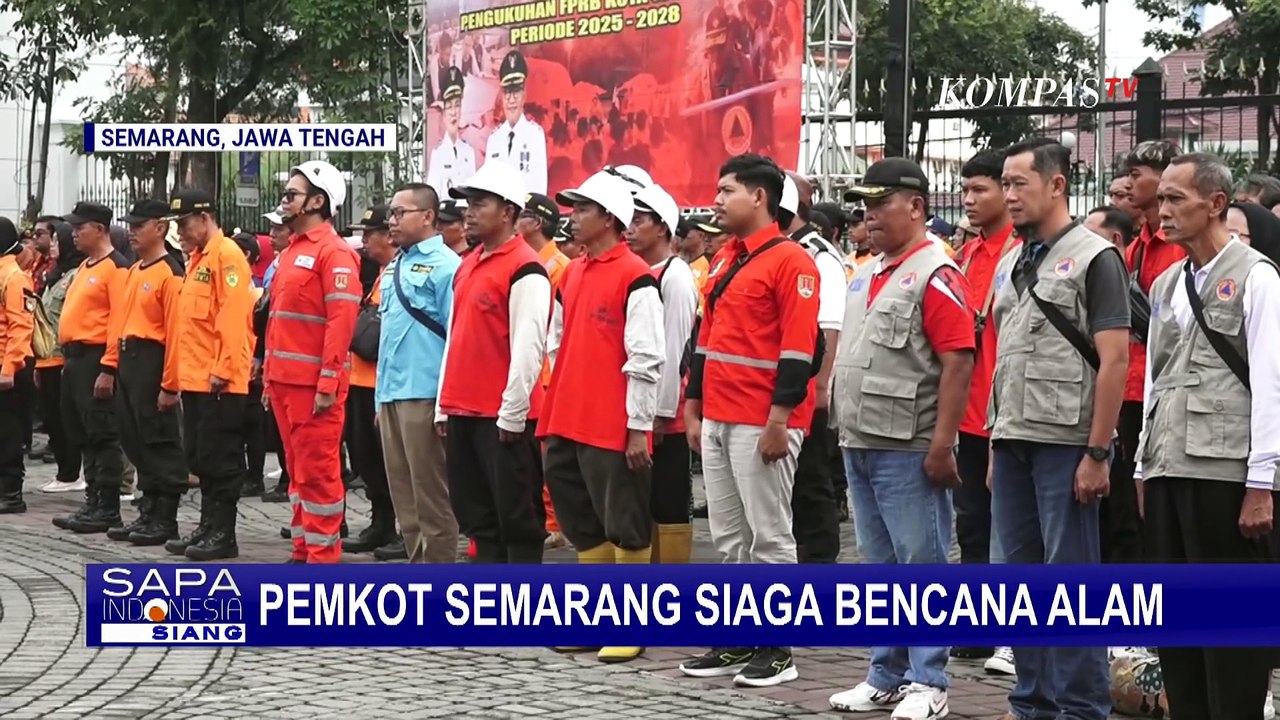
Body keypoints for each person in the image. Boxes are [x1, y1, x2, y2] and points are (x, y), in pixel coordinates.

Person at [827, 158, 975, 717]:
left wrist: (942, 443)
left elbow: (958, 361)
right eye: (865, 205)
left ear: (915, 206)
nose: (869, 215)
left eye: (880, 203)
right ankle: (884, 673)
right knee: (879, 567)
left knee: (921, 564)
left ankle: (928, 681)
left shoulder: (936, 272)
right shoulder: (868, 271)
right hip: (861, 438)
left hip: (908, 443)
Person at [990, 138, 1130, 720]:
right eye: (1005, 183)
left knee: (1071, 581)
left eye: (1019, 183)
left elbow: (1115, 358)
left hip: (1066, 441)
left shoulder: (1096, 257)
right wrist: (996, 443)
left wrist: (1098, 452)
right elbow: (1004, 355)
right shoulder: (1012, 260)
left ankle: (1081, 707)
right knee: (1018, 582)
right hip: (1014, 437)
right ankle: (1033, 703)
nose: (1008, 195)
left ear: (1056, 186)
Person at [1138, 152, 1280, 720]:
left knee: (1232, 632)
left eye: (1176, 199)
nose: (1163, 211)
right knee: (1177, 624)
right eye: (1160, 200)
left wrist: (1261, 483)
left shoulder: (1257, 276)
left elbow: (1270, 382)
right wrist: (1142, 467)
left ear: (1216, 203)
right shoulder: (1166, 283)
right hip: (1169, 467)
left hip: (1225, 472)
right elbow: (1155, 379)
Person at [677, 154, 818, 687]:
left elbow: (799, 350)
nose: (716, 200)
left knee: (769, 538)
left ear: (759, 197)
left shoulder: (792, 262)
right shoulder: (726, 259)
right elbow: (705, 339)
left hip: (762, 421)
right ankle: (738, 638)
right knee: (730, 539)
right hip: (719, 416)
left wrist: (780, 420)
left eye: (726, 190)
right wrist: (694, 405)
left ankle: (778, 649)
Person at [539, 170, 664, 663]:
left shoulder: (636, 275)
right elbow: (556, 339)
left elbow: (647, 358)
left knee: (625, 523)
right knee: (582, 523)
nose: (572, 217)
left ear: (609, 218)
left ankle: (630, 624)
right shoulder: (573, 272)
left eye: (583, 209)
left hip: (611, 423)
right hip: (566, 416)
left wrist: (638, 428)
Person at [438, 161, 551, 564]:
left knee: (518, 520)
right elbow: (455, 336)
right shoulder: (468, 263)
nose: (468, 212)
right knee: (478, 518)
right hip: (463, 411)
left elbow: (528, 347)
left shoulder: (526, 267)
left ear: (508, 212)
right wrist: (443, 405)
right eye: (468, 203)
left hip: (503, 419)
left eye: (479, 203)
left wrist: (512, 415)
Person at [265, 161, 361, 564]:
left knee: (318, 474)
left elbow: (340, 325)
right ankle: (303, 549)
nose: (284, 201)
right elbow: (279, 322)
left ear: (318, 201)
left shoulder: (334, 253)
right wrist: (269, 379)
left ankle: (323, 558)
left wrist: (327, 383)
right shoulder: (293, 251)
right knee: (296, 471)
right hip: (284, 383)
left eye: (292, 194)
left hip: (312, 389)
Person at [948, 149, 1020, 671]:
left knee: (1012, 527)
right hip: (967, 411)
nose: (969, 200)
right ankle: (978, 625)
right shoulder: (967, 254)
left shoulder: (1020, 250)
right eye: (965, 190)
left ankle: (1015, 633)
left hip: (1007, 412)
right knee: (972, 523)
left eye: (980, 189)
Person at [164, 189, 255, 561]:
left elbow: (232, 316)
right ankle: (207, 525)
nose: (180, 232)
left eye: (184, 224)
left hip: (220, 380)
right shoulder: (197, 259)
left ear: (204, 218)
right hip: (197, 378)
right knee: (201, 457)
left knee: (221, 459)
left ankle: (223, 532)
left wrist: (222, 368)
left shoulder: (226, 255)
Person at [377, 182, 461, 564]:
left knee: (432, 500)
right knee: (405, 502)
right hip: (392, 394)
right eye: (391, 213)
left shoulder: (447, 267)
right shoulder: (395, 264)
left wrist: (445, 405)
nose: (391, 221)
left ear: (428, 216)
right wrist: (380, 400)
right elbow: (389, 336)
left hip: (425, 395)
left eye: (400, 213)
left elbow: (455, 339)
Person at [100, 198, 189, 544]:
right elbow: (119, 322)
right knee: (134, 438)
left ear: (160, 228)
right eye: (131, 226)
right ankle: (148, 511)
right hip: (130, 359)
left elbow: (176, 333)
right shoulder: (135, 271)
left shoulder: (170, 272)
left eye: (139, 226)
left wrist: (170, 384)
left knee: (159, 439)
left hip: (153, 360)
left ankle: (165, 517)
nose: (132, 232)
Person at [1117, 140, 1186, 563]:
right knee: (1130, 503)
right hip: (1131, 387)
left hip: (1164, 387)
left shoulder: (1179, 246)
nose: (1128, 184)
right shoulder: (1136, 245)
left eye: (1136, 175)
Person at [627, 182, 698, 564]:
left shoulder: (675, 275)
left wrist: (660, 412)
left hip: (666, 415)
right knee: (642, 502)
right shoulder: (636, 271)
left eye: (639, 221)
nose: (629, 229)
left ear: (662, 228)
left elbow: (674, 349)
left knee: (669, 502)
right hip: (639, 409)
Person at [50, 201, 129, 535]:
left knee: (102, 433)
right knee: (82, 433)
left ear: (99, 229)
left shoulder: (116, 267)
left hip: (97, 357)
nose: (73, 233)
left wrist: (108, 368)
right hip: (75, 359)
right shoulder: (85, 266)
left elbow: (119, 322)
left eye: (79, 227)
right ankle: (93, 500)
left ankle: (107, 506)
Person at [777, 172, 842, 564]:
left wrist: (819, 392)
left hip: (807, 392)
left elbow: (829, 326)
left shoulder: (817, 253)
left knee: (811, 485)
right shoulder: (773, 250)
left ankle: (818, 565)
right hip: (781, 389)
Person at [342, 205, 399, 555]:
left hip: (383, 383)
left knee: (389, 461)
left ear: (388, 236)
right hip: (360, 380)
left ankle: (401, 528)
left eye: (370, 234)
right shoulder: (379, 273)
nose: (364, 241)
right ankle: (381, 523)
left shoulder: (398, 272)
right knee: (366, 459)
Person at [518, 192, 571, 549]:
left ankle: (555, 523)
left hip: (551, 373)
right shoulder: (530, 262)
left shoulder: (559, 267)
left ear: (536, 222)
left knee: (549, 454)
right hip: (532, 371)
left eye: (520, 215)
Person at [35, 219, 85, 493]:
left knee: (64, 420)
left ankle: (70, 472)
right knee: (52, 418)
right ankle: (64, 471)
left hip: (62, 358)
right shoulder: (55, 275)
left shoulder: (76, 275)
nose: (53, 245)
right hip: (46, 357)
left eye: (57, 240)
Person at [0, 217, 36, 514]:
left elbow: (21, 325)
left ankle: (11, 492)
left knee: (8, 432)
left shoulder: (14, 277)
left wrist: (9, 368)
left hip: (8, 367)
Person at [230, 232, 269, 499]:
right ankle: (242, 473)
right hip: (234, 366)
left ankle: (254, 476)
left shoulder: (255, 292)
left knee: (252, 427)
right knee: (237, 427)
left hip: (249, 367)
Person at [484, 50, 548, 194]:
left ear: (524, 94)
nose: (511, 99)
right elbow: (488, 188)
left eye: (516, 92)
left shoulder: (535, 135)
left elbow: (539, 187)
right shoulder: (494, 139)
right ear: (502, 97)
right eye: (507, 92)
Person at [427, 66, 477, 195]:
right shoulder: (438, 154)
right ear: (444, 113)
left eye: (457, 106)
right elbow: (433, 194)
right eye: (449, 107)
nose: (453, 112)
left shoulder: (469, 152)